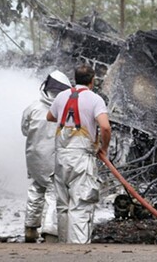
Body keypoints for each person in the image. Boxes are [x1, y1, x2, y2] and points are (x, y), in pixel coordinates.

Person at [46, 64, 111, 244]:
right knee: (80, 205)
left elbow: (49, 117)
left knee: (63, 206)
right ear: (92, 81)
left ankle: (64, 249)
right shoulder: (95, 99)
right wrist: (103, 148)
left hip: (61, 156)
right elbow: (105, 126)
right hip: (81, 157)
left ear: (75, 79)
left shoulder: (61, 96)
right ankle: (79, 252)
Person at [21, 70, 72, 243]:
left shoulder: (33, 107)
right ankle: (50, 231)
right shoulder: (65, 111)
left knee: (36, 189)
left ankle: (30, 228)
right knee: (54, 192)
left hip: (34, 157)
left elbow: (24, 130)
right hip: (53, 158)